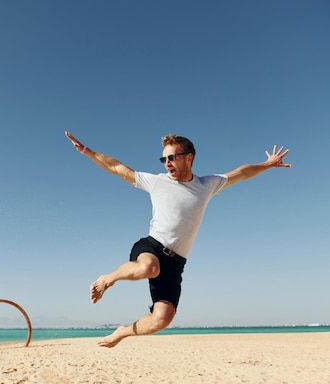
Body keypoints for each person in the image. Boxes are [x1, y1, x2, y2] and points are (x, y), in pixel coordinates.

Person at [64, 130, 291, 348]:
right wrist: (86, 150)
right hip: (151, 246)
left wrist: (267, 164)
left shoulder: (206, 185)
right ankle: (108, 279)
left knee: (162, 319)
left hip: (176, 264)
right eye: (163, 159)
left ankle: (123, 331)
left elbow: (241, 173)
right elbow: (116, 167)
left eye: (172, 157)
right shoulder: (157, 182)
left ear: (189, 157)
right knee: (149, 267)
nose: (167, 163)